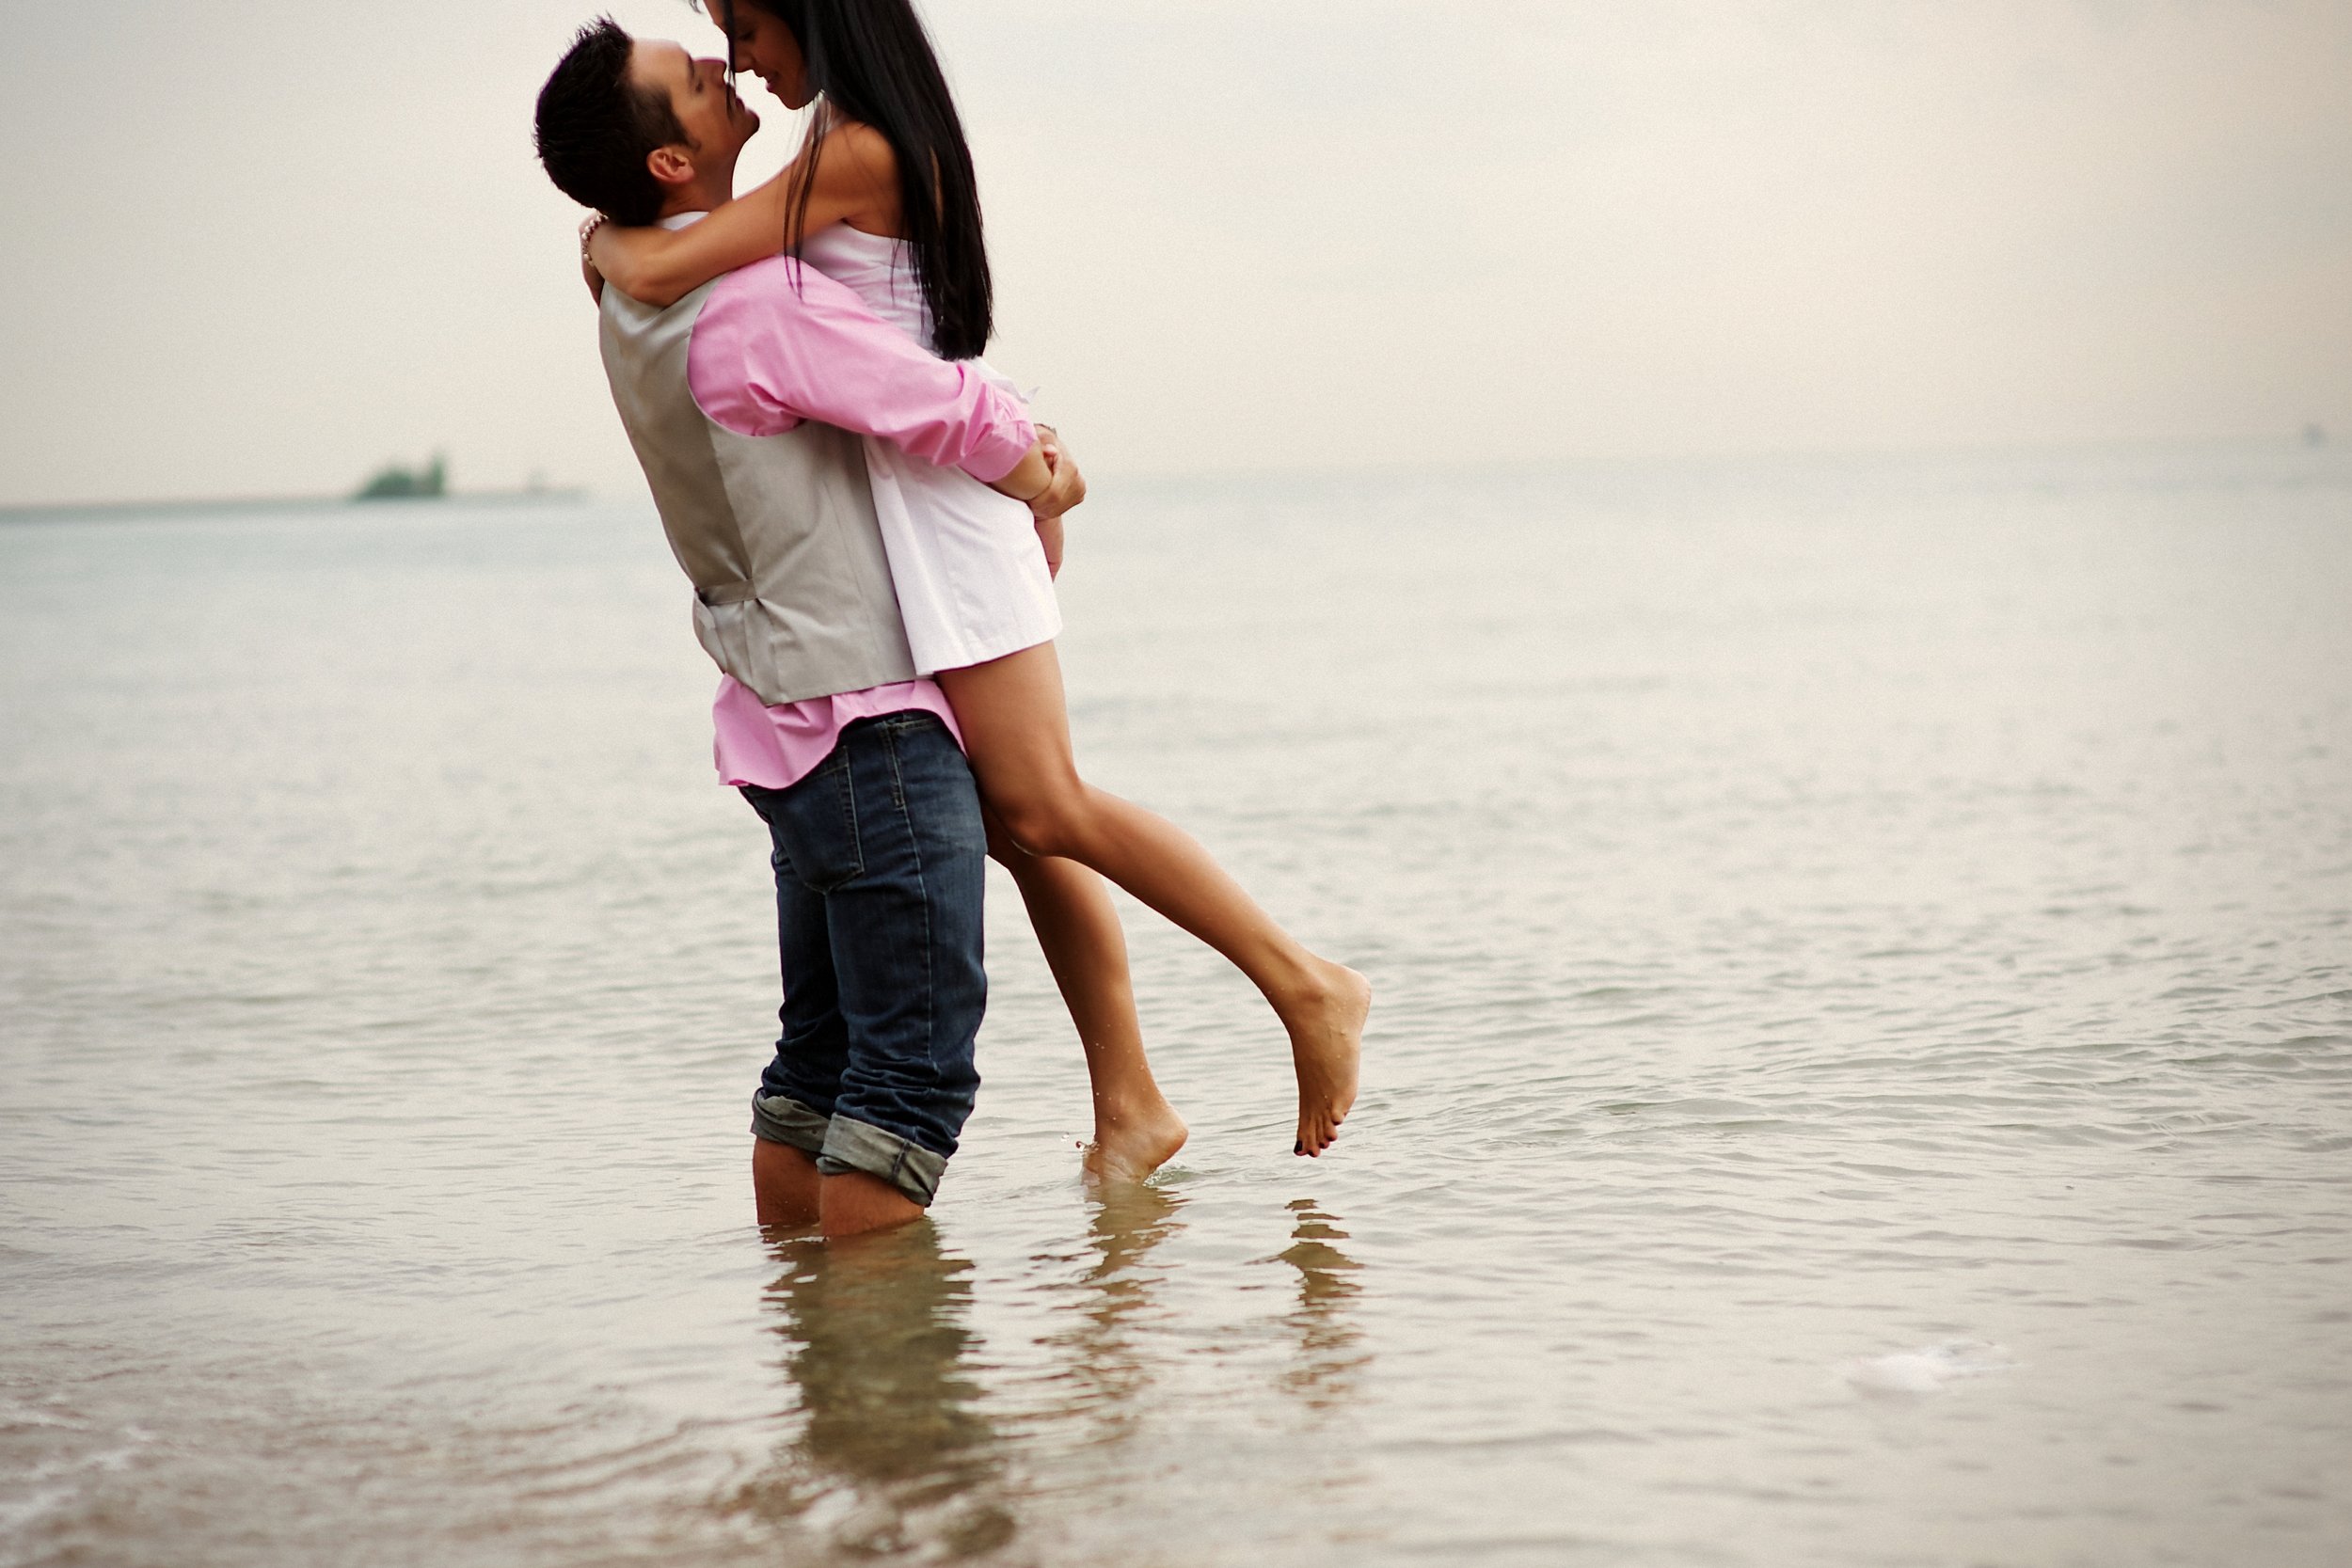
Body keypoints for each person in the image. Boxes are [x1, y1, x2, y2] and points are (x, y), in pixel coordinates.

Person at [587, 0, 1370, 1162]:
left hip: (944, 512)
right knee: (1017, 820)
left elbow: (674, 264)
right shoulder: (843, 140)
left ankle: (1303, 983)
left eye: (743, 26)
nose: (738, 57)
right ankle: (1130, 1101)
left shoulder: (853, 151)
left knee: (1044, 800)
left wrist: (602, 244)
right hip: (916, 512)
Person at [535, 19, 1076, 1235]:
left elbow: (613, 251)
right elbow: (933, 402)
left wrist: (605, 237)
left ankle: (811, 1361)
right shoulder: (753, 299)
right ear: (670, 163)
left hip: (781, 731)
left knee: (814, 1074)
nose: (724, 69)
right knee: (906, 1090)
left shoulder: (626, 295)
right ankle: (885, 1413)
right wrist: (1046, 473)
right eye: (694, 77)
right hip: (872, 724)